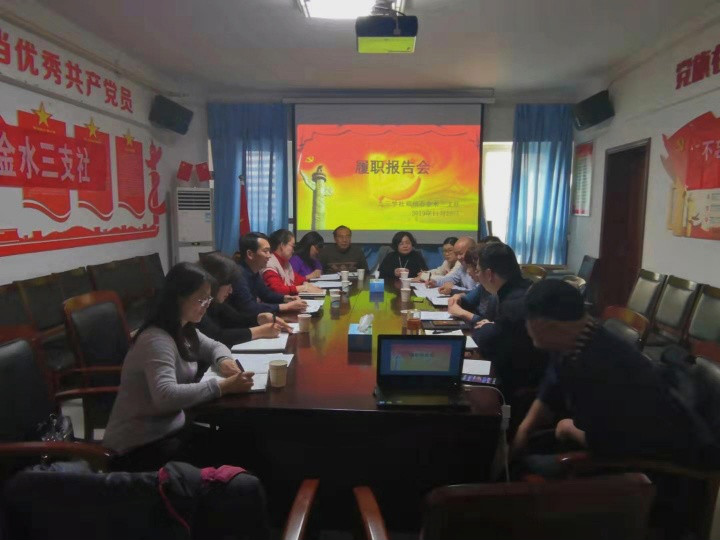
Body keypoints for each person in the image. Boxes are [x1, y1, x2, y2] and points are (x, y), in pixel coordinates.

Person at [513, 279, 706, 466]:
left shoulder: (603, 364)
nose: (525, 326)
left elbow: (607, 442)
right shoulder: (573, 341)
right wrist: (524, 429)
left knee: (529, 466)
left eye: (527, 320)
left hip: (655, 458)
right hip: (614, 438)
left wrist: (567, 427)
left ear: (545, 325)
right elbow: (551, 389)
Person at [104, 262, 258, 470]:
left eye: (208, 298)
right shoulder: (156, 339)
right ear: (177, 298)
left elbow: (215, 346)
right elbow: (165, 396)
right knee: (236, 452)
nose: (207, 305)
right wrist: (222, 387)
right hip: (140, 447)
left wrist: (224, 360)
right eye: (201, 299)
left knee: (242, 441)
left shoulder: (184, 329)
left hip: (171, 429)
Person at [471, 242, 548, 403]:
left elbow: (489, 342)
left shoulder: (512, 304)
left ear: (489, 274)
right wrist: (491, 327)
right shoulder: (527, 287)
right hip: (541, 377)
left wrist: (485, 328)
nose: (477, 277)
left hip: (522, 387)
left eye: (478, 271)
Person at [198, 252, 292, 348]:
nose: (231, 291)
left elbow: (236, 319)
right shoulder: (198, 305)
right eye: (229, 285)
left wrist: (259, 319)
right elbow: (217, 337)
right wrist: (260, 331)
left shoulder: (215, 302)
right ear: (216, 282)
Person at [228, 232, 307, 317]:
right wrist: (285, 306)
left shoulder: (254, 271)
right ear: (250, 254)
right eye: (265, 251)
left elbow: (266, 294)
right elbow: (249, 307)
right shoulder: (238, 275)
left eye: (269, 251)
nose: (269, 256)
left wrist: (286, 298)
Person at [446, 238, 501, 324]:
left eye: (470, 267)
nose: (468, 271)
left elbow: (489, 325)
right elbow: (467, 301)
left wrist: (462, 313)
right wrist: (458, 298)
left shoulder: (498, 293)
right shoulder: (483, 287)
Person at [262, 229, 324, 295]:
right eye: (292, 246)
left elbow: (296, 279)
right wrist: (304, 288)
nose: (293, 251)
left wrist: (305, 283)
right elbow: (277, 290)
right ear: (282, 245)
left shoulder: (285, 262)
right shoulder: (269, 264)